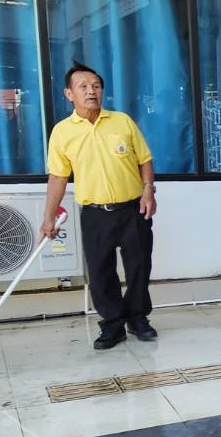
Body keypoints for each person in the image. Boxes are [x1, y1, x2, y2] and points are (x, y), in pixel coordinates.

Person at [41, 62, 157, 351]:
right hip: (95, 214)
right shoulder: (62, 132)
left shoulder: (122, 121)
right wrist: (48, 218)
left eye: (96, 86)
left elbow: (145, 159)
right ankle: (113, 325)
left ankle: (138, 318)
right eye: (83, 87)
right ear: (69, 94)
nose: (91, 91)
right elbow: (58, 176)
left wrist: (148, 191)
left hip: (133, 209)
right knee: (101, 272)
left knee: (139, 267)